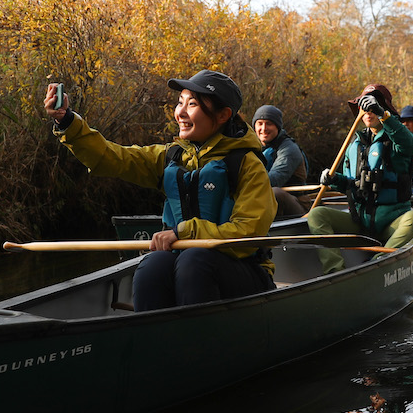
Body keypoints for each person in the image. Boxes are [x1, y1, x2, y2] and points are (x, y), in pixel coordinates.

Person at [44, 70, 276, 311]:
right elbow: (111, 158)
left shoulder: (249, 165)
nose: (181, 113)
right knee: (152, 266)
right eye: (180, 103)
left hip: (246, 272)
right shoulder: (171, 156)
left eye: (193, 104)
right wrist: (68, 123)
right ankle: (154, 337)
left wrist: (183, 232)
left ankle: (202, 339)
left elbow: (249, 234)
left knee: (193, 260)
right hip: (189, 263)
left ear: (223, 115)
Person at [307, 84, 413, 273]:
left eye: (373, 106)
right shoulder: (354, 144)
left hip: (391, 223)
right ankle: (334, 271)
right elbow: (350, 184)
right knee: (317, 214)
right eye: (365, 107)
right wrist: (333, 179)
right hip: (360, 221)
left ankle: (377, 263)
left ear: (384, 109)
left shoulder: (398, 139)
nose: (368, 112)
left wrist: (383, 115)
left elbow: (408, 143)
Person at [251, 104, 310, 219]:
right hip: (262, 201)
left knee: (275, 193)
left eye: (269, 123)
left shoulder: (289, 149)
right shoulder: (254, 148)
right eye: (260, 124)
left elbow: (275, 179)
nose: (263, 129)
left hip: (297, 205)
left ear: (277, 127)